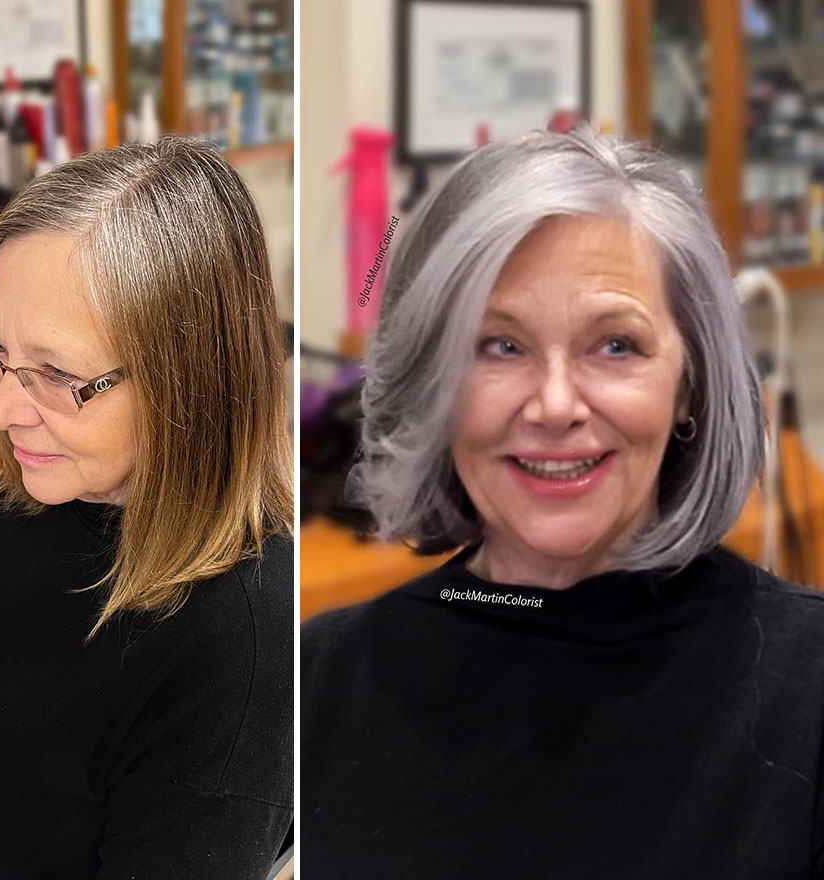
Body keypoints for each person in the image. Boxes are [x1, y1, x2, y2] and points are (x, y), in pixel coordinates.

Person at [301, 125, 824, 878]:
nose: (554, 406)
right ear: (436, 386)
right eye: (500, 346)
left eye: (615, 345)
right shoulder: (320, 680)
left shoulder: (808, 691)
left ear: (689, 384)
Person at [0, 136, 293, 879]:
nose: (1, 409)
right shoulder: (39, 493)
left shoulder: (239, 658)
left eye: (55, 372)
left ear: (190, 381)